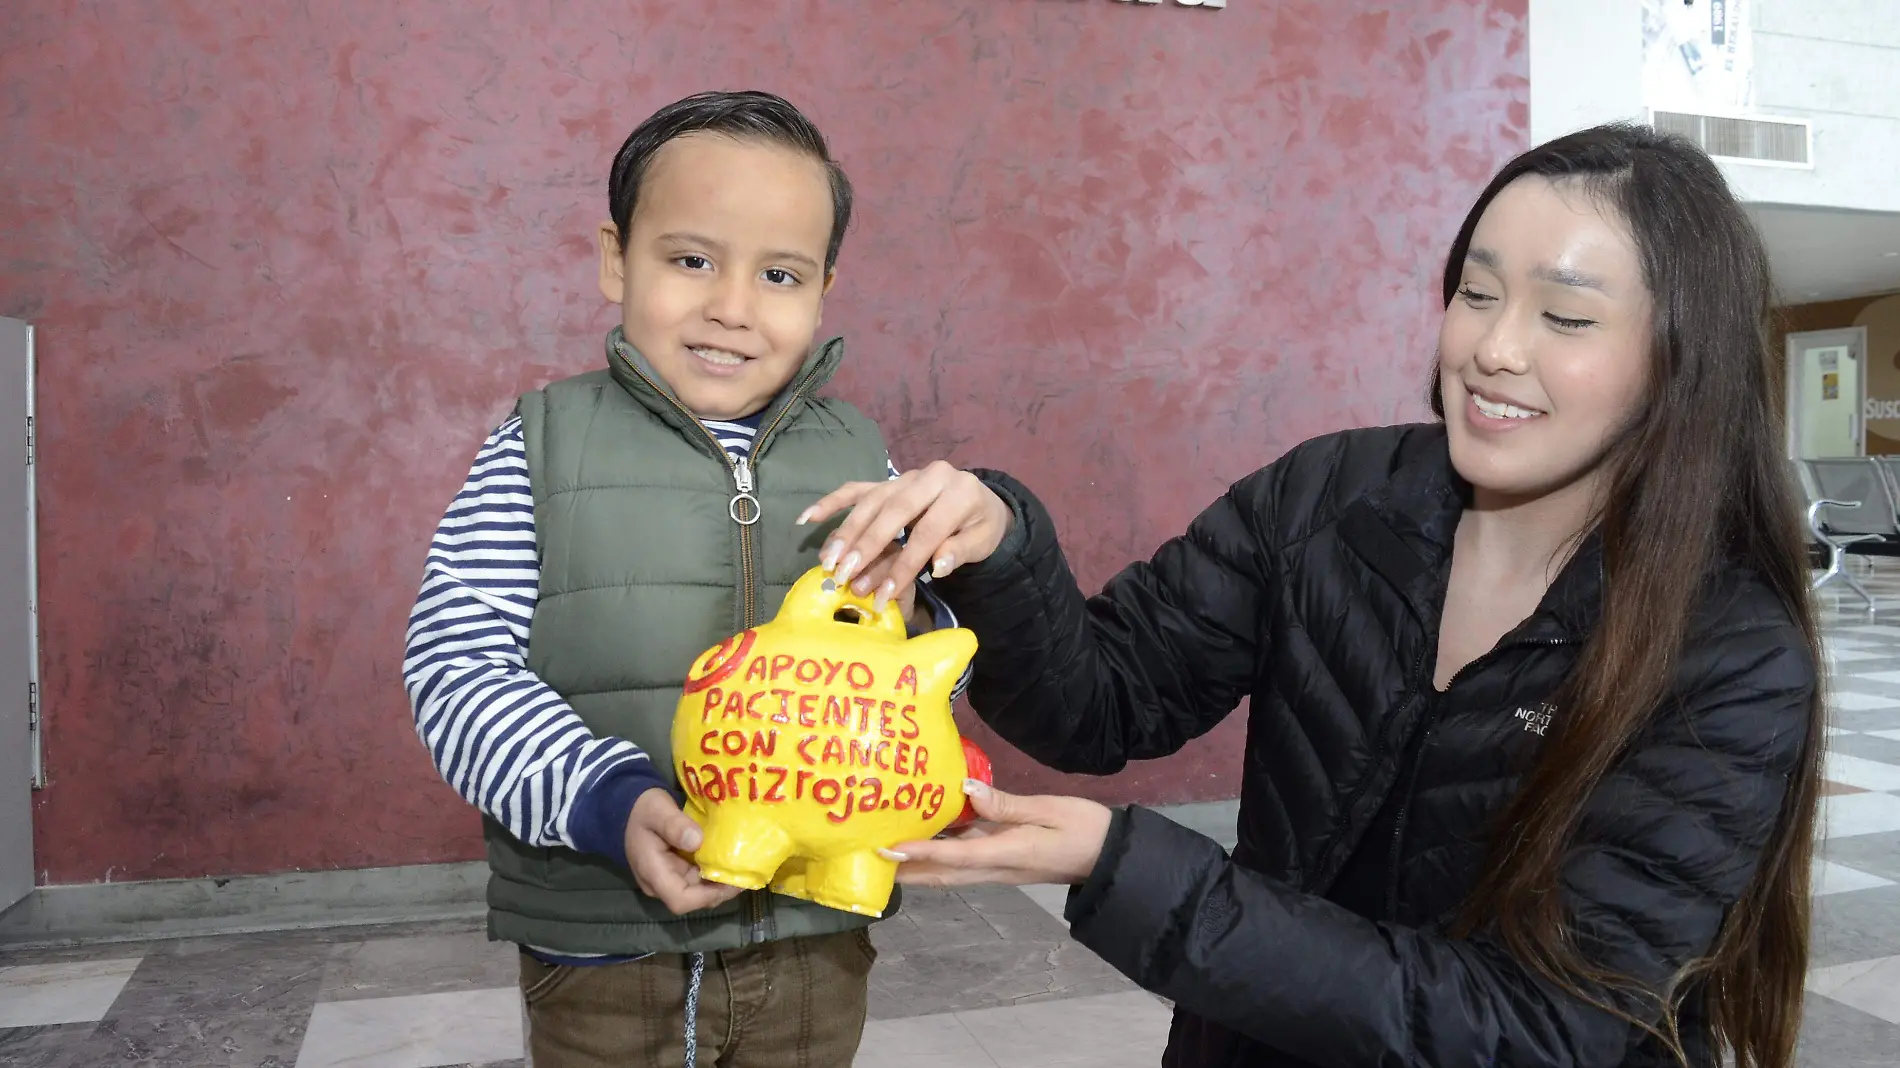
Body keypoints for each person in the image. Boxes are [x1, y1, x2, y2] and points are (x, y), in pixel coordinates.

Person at [801, 123, 1823, 1068]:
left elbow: (1538, 1025)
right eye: (1475, 293)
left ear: (1677, 361)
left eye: (1563, 315)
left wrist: (1130, 866)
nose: (1495, 348)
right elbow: (1102, 702)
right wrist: (999, 546)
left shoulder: (1725, 654)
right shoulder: (1328, 500)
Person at [401, 90, 963, 1068]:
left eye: (779, 274)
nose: (731, 307)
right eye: (691, 259)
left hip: (814, 933)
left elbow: (913, 670)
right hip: (606, 933)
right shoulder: (538, 446)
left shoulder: (863, 455)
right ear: (618, 258)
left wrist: (926, 620)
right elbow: (458, 667)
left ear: (824, 288)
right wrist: (603, 802)